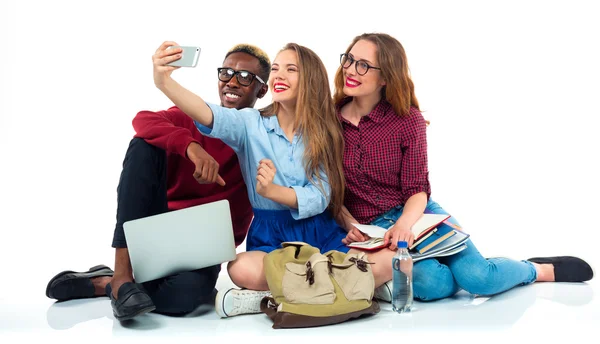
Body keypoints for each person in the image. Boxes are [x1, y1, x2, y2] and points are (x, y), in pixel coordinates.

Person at [333, 33, 594, 302]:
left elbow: (417, 189)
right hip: (373, 229)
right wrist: (351, 224)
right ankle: (463, 266)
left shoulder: (407, 120)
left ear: (386, 77)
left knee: (479, 279)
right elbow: (327, 188)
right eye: (349, 60)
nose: (351, 70)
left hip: (417, 216)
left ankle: (535, 269)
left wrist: (403, 225)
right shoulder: (329, 122)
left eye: (363, 65)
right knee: (431, 285)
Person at [45, 44, 271, 321]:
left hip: (203, 245)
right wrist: (191, 147)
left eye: (245, 76)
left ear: (262, 90)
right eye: (226, 73)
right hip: (155, 226)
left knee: (181, 300)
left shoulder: (262, 132)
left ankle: (109, 283)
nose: (232, 82)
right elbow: (143, 120)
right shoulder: (196, 115)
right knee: (144, 145)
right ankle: (123, 275)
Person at [151, 41, 351, 318]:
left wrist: (273, 191)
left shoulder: (325, 132)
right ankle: (320, 289)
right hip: (272, 235)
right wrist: (164, 82)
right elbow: (206, 112)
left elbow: (321, 196)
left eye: (291, 69)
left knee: (371, 262)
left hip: (319, 230)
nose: (279, 75)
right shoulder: (248, 122)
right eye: (277, 69)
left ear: (311, 80)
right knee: (239, 268)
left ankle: (271, 295)